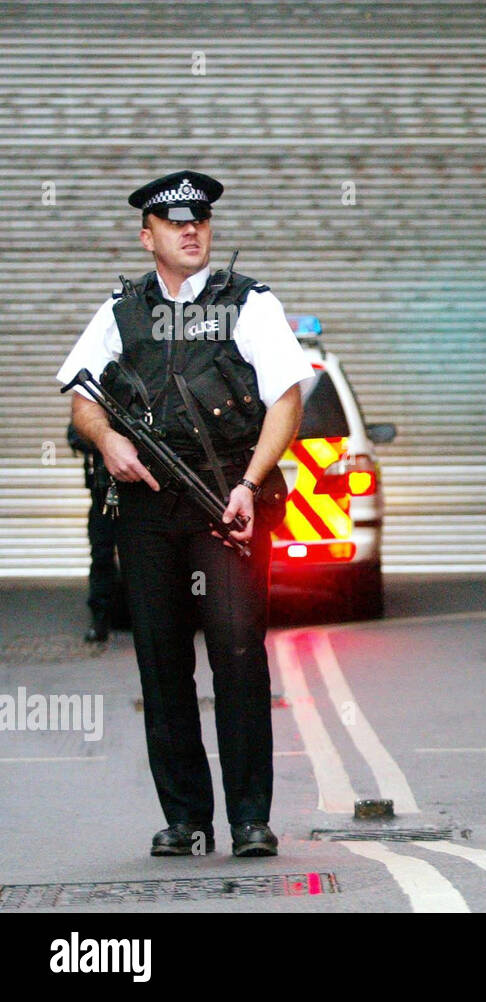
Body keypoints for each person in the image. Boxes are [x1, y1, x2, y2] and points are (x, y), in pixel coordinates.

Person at [56, 171, 312, 857]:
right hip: (144, 506)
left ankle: (251, 818)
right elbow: (79, 394)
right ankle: (186, 819)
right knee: (161, 662)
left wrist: (251, 483)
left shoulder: (248, 303)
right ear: (148, 237)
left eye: (199, 219)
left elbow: (287, 398)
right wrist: (107, 439)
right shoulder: (122, 312)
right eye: (174, 223)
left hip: (224, 497)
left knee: (236, 654)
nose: (191, 229)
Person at [67, 422, 129, 643]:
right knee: (101, 554)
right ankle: (100, 618)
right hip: (103, 492)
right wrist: (104, 439)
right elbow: (75, 434)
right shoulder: (95, 404)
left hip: (138, 493)